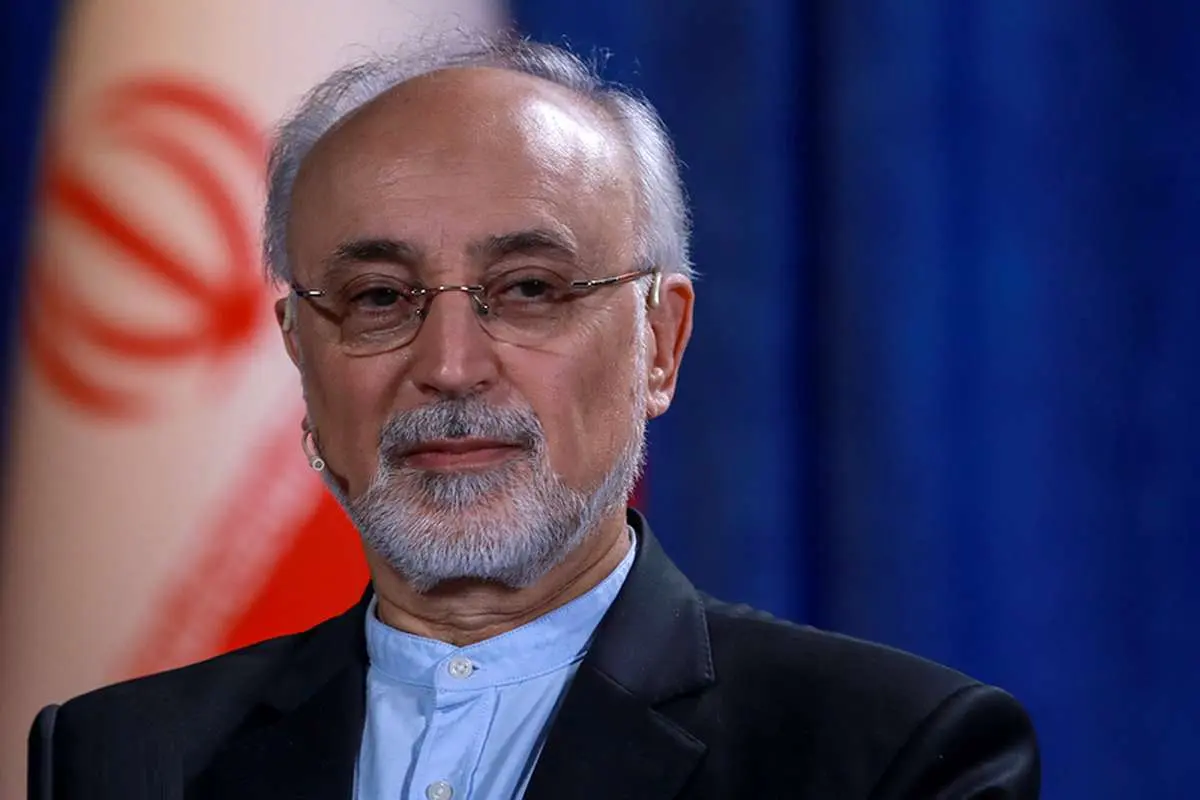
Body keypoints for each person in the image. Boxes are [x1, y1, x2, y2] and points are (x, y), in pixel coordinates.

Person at [27, 33, 1040, 800]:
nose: (450, 367)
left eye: (528, 289)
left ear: (661, 343)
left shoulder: (892, 756)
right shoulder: (121, 759)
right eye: (378, 297)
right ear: (301, 351)